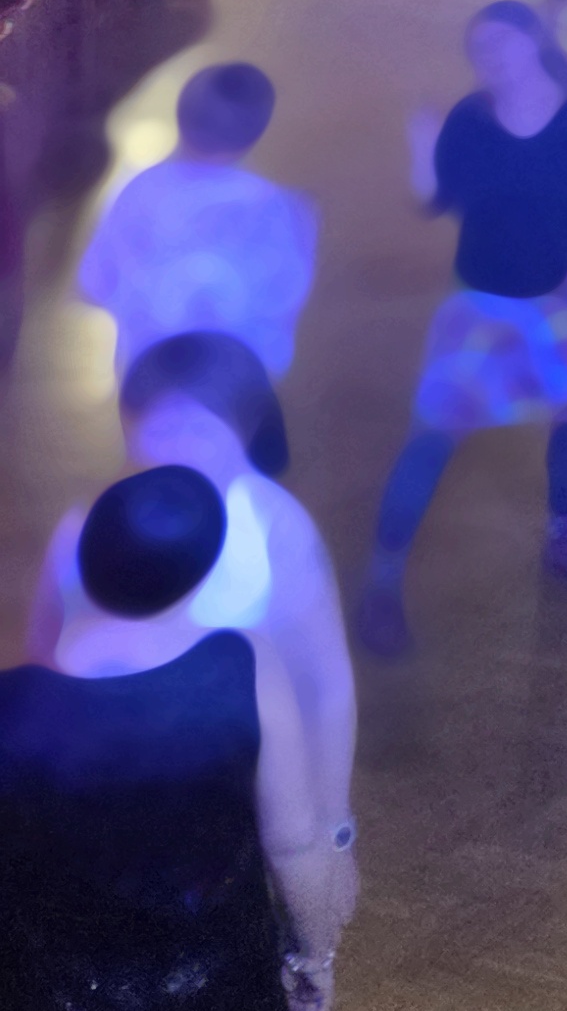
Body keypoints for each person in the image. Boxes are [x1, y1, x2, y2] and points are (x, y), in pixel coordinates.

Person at [0, 465, 346, 1011]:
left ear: (85, 556)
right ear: (201, 571)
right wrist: (313, 957)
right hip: (212, 998)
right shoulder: (242, 666)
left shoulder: (12, 704)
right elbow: (294, 842)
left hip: (55, 1007)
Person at [25, 331, 358, 906]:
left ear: (246, 430)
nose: (174, 450)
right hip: (105, 805)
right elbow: (45, 660)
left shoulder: (275, 529)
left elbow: (324, 685)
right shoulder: (92, 526)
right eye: (157, 429)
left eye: (198, 430)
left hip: (237, 807)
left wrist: (334, 829)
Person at [353, 2, 567, 658]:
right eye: (480, 48)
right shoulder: (470, 120)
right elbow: (435, 201)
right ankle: (383, 579)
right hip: (482, 302)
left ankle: (566, 535)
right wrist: (420, 149)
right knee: (432, 432)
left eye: (502, 41)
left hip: (566, 298)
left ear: (536, 39)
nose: (491, 57)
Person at [75, 61, 317, 380]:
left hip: (148, 374)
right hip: (239, 380)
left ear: (182, 113)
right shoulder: (278, 209)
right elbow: (284, 296)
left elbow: (96, 284)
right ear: (256, 131)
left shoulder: (140, 191)